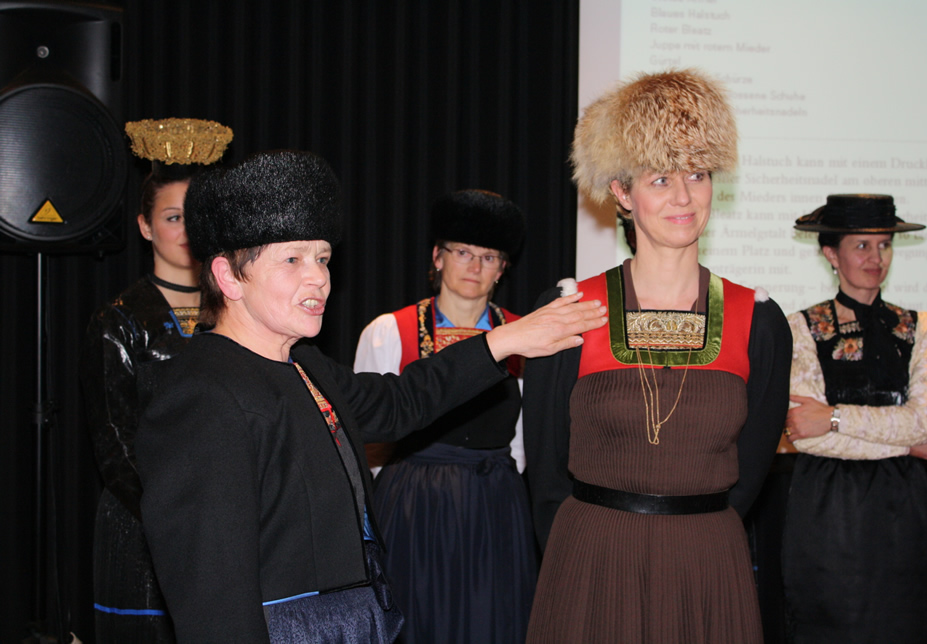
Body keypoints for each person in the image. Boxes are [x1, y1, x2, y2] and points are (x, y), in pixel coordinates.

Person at [135, 150, 607, 643]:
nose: (319, 277)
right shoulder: (200, 394)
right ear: (229, 276)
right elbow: (212, 601)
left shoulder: (305, 364)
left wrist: (505, 340)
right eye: (293, 259)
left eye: (322, 258)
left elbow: (401, 402)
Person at [523, 69, 793, 643]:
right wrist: (576, 558)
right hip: (591, 564)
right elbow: (546, 467)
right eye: (661, 177)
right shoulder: (570, 309)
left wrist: (697, 536)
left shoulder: (758, 320)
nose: (683, 196)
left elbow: (751, 471)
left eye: (697, 174)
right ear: (622, 193)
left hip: (707, 566)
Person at [354, 189, 535, 644]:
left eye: (489, 257)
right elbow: (367, 434)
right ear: (438, 257)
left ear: (502, 268)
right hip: (414, 504)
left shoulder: (525, 335)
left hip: (493, 504)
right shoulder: (389, 331)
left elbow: (523, 439)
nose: (475, 267)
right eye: (463, 253)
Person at [81, 118, 231, 642]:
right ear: (145, 226)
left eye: (196, 217)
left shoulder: (237, 313)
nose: (186, 230)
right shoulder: (118, 321)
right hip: (145, 524)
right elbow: (113, 446)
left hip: (229, 519)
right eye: (172, 217)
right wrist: (170, 512)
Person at [783, 194, 927, 643]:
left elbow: (925, 423)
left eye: (884, 245)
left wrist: (834, 417)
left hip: (902, 508)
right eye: (861, 245)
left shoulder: (921, 328)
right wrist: (908, 443)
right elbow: (806, 434)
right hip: (827, 507)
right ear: (831, 254)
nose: (876, 258)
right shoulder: (801, 328)